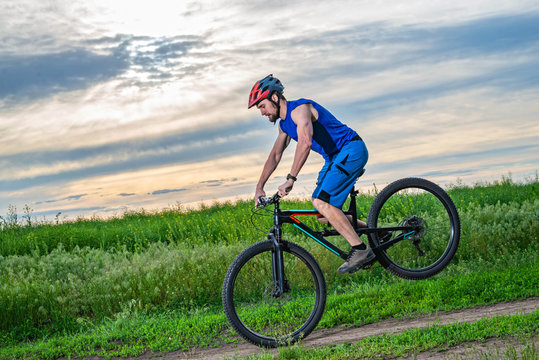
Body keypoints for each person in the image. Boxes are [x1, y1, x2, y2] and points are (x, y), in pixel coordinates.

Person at [249, 74, 374, 274]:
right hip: (334, 157)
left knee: (321, 201)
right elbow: (275, 155)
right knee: (324, 215)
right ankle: (375, 234)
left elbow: (306, 142)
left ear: (274, 97)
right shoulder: (283, 126)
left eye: (262, 105)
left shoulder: (300, 110)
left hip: (351, 149)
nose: (262, 112)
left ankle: (360, 250)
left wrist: (290, 179)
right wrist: (259, 187)